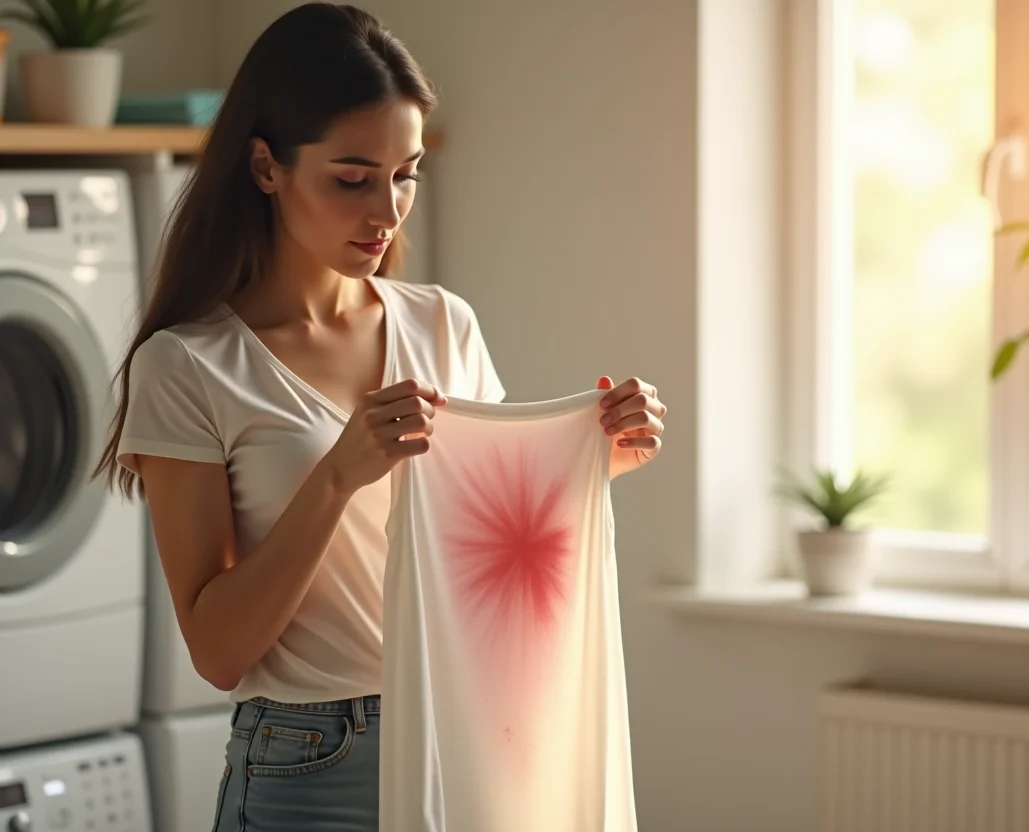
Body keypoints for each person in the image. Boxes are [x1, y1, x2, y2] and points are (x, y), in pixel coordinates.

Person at [93, 3, 666, 829]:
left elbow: (480, 538)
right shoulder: (186, 366)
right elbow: (218, 652)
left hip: (464, 729)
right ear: (265, 167)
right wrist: (336, 474)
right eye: (352, 178)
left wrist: (594, 458)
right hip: (306, 765)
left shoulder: (441, 324)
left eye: (407, 174)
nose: (387, 210)